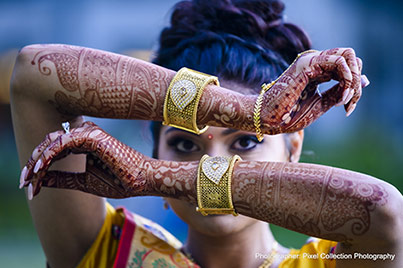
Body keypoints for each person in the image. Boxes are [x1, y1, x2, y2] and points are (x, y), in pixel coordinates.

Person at [10, 0, 402, 267]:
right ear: (157, 145)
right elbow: (32, 73)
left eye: (246, 140)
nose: (211, 161)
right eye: (183, 143)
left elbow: (385, 213)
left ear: (292, 147)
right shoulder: (106, 253)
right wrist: (251, 112)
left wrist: (154, 177)